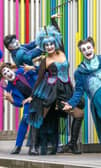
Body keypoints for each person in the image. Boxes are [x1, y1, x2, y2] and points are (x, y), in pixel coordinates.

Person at [23, 22, 84, 155]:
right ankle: (33, 146)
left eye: (51, 43)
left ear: (55, 43)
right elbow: (39, 79)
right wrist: (31, 96)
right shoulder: (45, 60)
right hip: (50, 90)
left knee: (79, 114)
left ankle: (72, 144)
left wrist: (54, 22)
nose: (49, 46)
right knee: (40, 116)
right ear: (43, 47)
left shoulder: (61, 51)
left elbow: (59, 36)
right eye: (46, 45)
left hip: (65, 90)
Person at [0, 62, 37, 154]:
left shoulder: (22, 71)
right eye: (5, 74)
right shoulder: (9, 88)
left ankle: (39, 145)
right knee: (25, 119)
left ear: (11, 69)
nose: (7, 73)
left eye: (7, 71)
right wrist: (11, 100)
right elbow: (19, 104)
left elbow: (37, 73)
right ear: (4, 77)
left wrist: (32, 67)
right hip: (28, 102)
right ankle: (18, 146)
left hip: (39, 95)